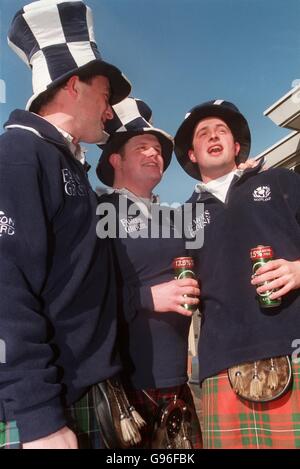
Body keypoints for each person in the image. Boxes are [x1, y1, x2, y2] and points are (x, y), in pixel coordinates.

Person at [0, 0, 131, 449]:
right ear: (73, 85)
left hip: (86, 393)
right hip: (49, 412)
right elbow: (5, 287)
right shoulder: (18, 154)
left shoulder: (68, 165)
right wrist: (38, 418)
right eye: (104, 95)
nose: (110, 110)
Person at [174, 99, 300, 449]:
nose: (213, 136)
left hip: (292, 350)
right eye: (203, 134)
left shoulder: (282, 181)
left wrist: (298, 270)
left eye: (221, 131)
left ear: (237, 145)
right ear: (193, 154)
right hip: (220, 365)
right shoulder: (181, 216)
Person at [96, 97, 202, 449]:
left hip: (177, 382)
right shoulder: (96, 213)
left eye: (157, 149)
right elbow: (80, 294)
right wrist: (146, 297)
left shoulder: (177, 217)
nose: (154, 153)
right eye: (142, 147)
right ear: (116, 159)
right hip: (123, 390)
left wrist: (238, 180)